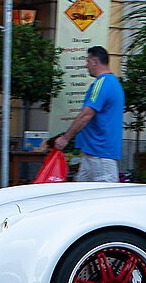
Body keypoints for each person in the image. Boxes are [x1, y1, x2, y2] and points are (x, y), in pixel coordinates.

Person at [54, 46, 125, 183]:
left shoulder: (102, 84)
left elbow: (86, 115)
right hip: (96, 154)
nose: (86, 66)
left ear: (94, 61)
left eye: (87, 61)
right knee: (81, 196)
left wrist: (65, 138)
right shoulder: (113, 83)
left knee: (102, 199)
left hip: (99, 155)